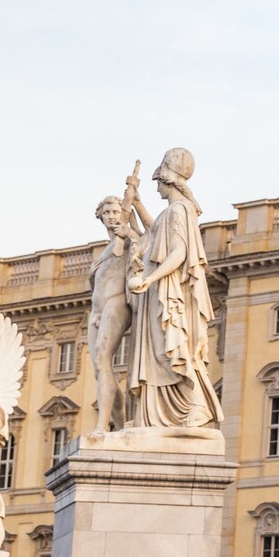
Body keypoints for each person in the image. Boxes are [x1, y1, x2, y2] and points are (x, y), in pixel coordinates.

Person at [124, 148, 223, 429]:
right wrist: (138, 203)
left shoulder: (178, 211)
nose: (156, 188)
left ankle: (197, 407)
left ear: (169, 180)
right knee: (162, 353)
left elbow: (179, 252)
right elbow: (155, 230)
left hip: (170, 292)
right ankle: (155, 416)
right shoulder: (173, 213)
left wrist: (150, 279)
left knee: (172, 351)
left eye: (158, 183)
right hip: (161, 290)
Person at [85, 187, 136, 435]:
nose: (112, 216)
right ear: (100, 216)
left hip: (117, 304)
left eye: (116, 211)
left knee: (104, 361)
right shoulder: (107, 248)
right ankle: (120, 422)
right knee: (99, 369)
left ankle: (101, 426)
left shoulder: (128, 238)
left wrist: (132, 234)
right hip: (97, 311)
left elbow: (149, 244)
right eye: (107, 212)